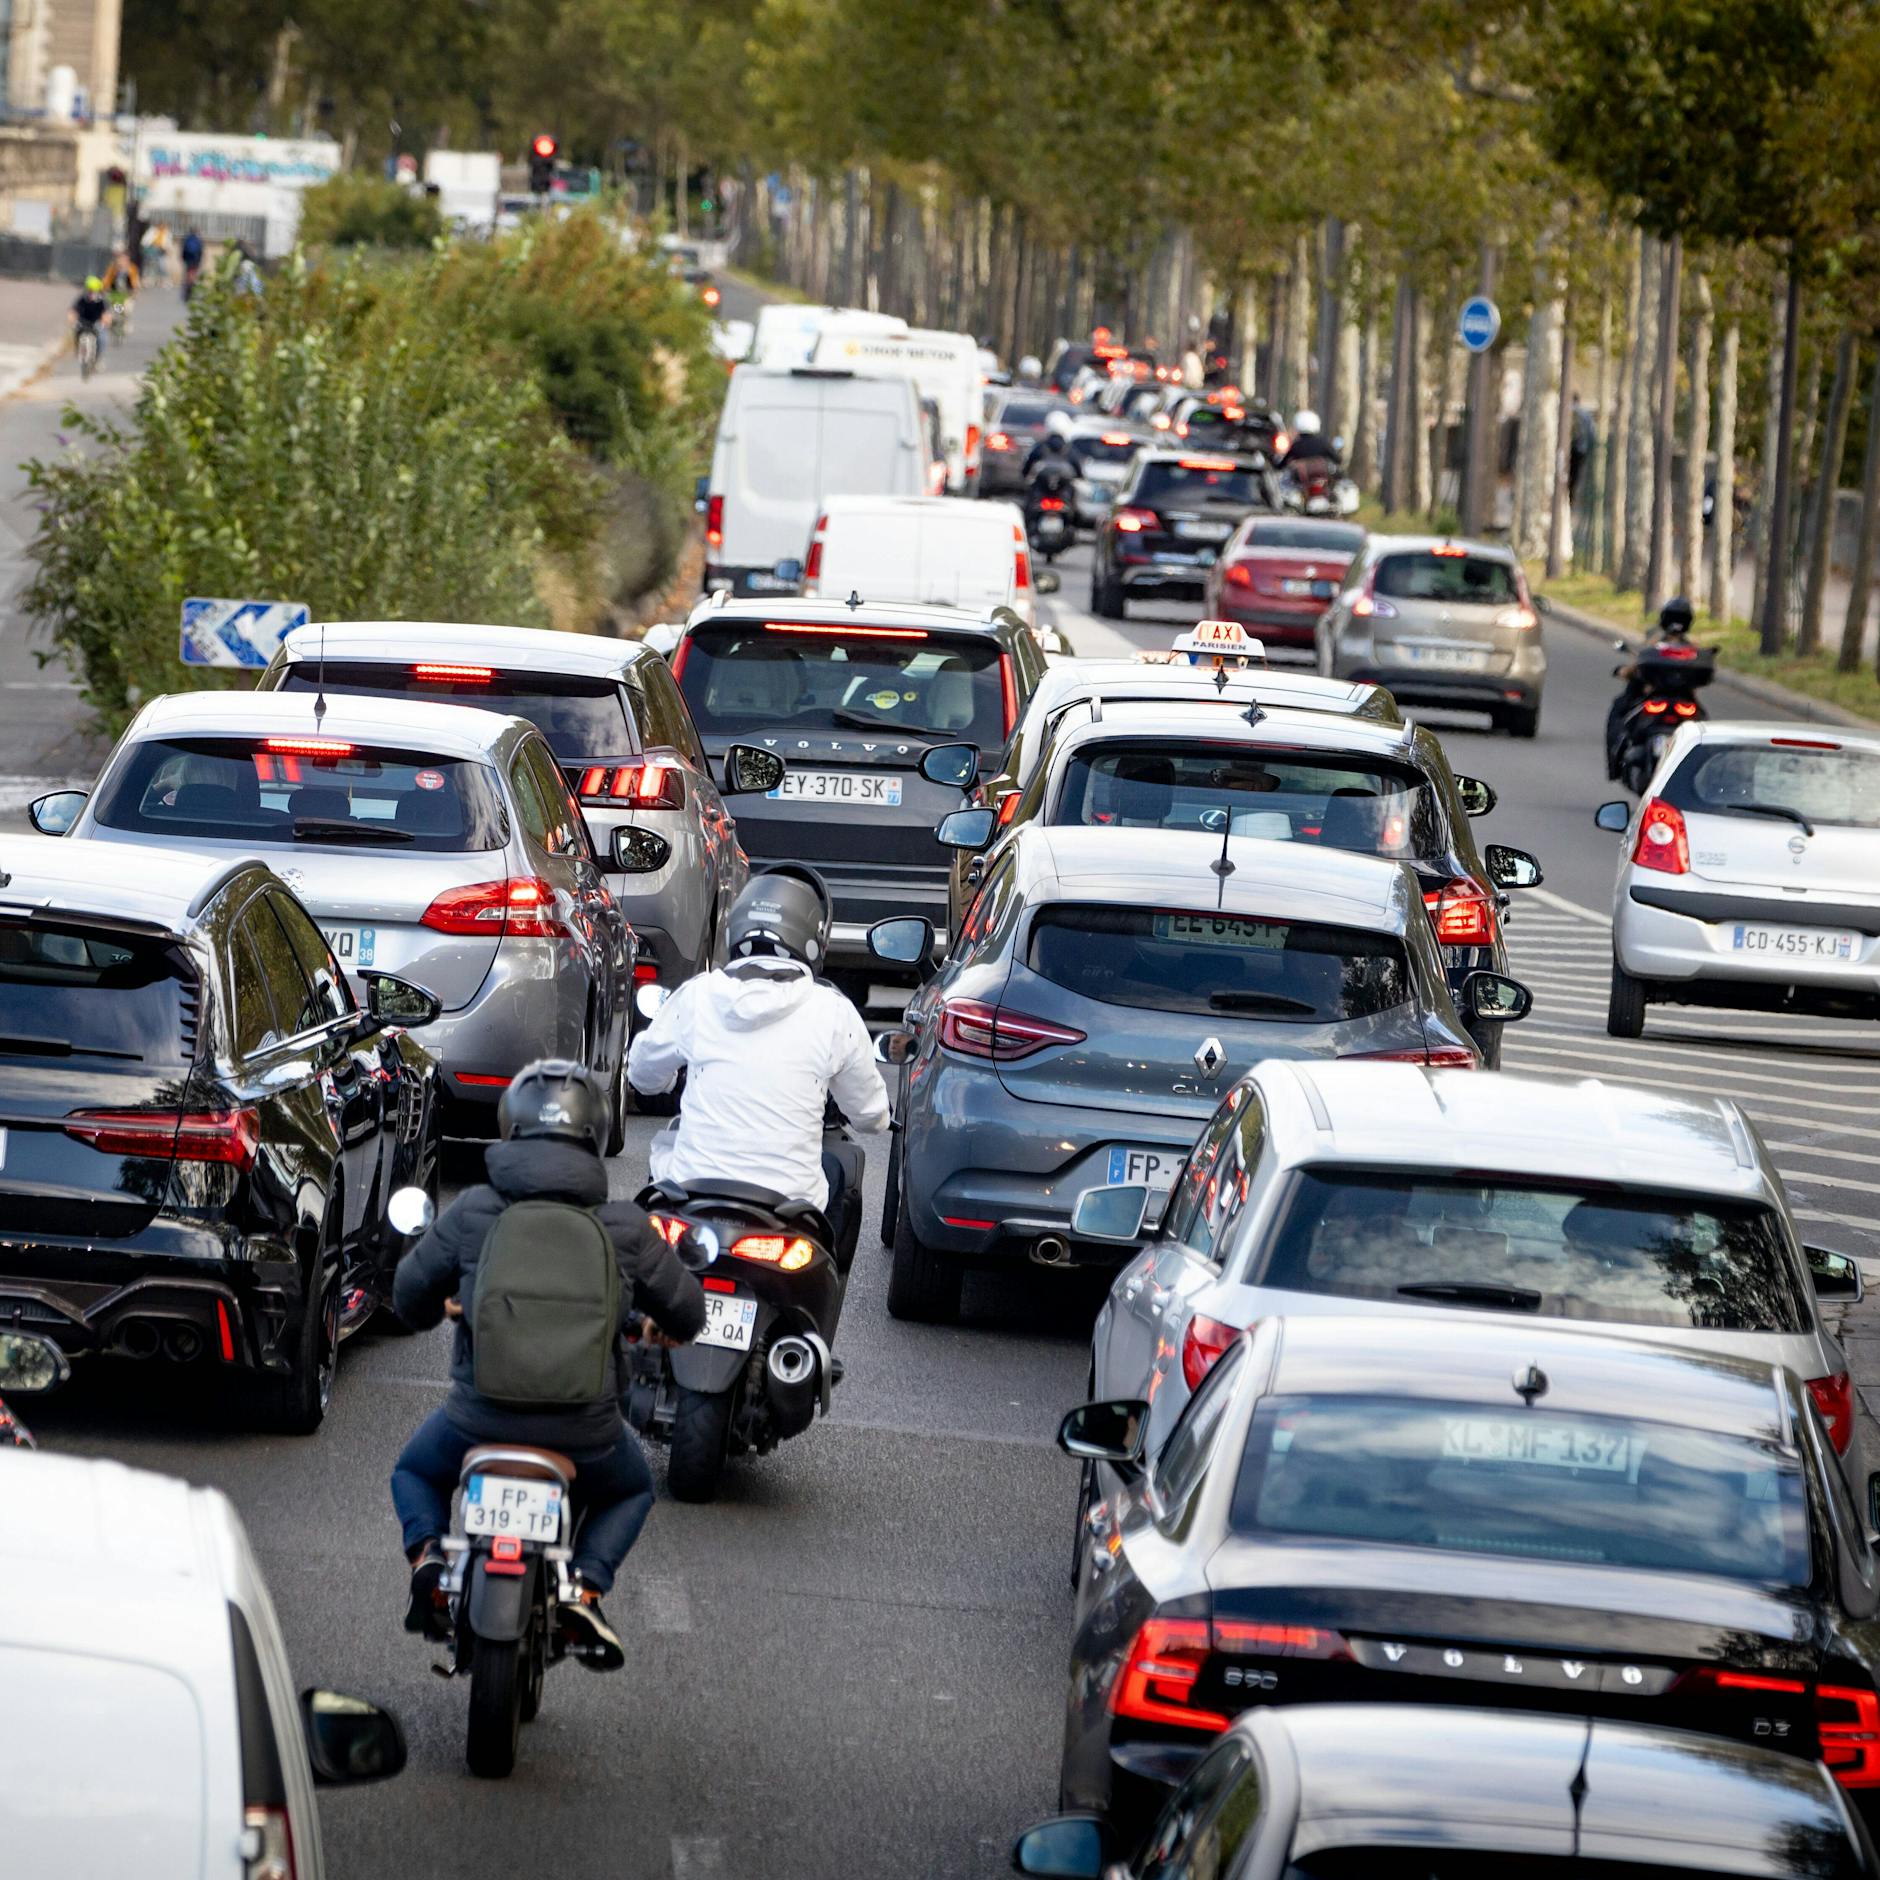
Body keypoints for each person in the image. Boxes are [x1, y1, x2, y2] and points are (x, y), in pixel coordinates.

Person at [389, 1059, 705, 1668]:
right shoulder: (624, 1228)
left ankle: (429, 1559)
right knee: (632, 1490)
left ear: (509, 1130)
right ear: (593, 1136)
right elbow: (688, 1315)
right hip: (584, 1431)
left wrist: (450, 1304)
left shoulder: (475, 1211)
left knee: (415, 1473)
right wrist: (647, 1326)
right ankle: (585, 1586)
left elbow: (407, 1298)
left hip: (478, 1421)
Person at [628, 869, 890, 1263]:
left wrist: (666, 1081)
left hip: (690, 1201)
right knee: (842, 1168)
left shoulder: (698, 996)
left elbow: (642, 1075)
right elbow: (869, 1115)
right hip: (787, 1214)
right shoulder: (833, 1012)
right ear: (814, 938)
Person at [1605, 593, 1694, 777]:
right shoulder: (1693, 649)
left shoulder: (1655, 644)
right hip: (1682, 700)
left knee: (1618, 712)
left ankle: (1614, 764)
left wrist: (1624, 672)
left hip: (1653, 697)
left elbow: (1636, 666)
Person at [70, 276, 110, 353]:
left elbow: (106, 313)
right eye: (89, 291)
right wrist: (72, 319)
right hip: (83, 321)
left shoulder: (101, 301)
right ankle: (78, 350)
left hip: (96, 322)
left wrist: (104, 322)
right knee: (76, 334)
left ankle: (98, 355)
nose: (91, 293)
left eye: (93, 291)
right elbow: (74, 310)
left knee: (101, 338)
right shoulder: (83, 299)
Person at [179, 226, 204, 299]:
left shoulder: (186, 238)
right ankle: (191, 285)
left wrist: (183, 258)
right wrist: (199, 260)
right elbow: (200, 251)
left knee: (188, 273)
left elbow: (183, 250)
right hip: (195, 260)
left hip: (188, 260)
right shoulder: (198, 239)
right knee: (193, 273)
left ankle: (188, 285)